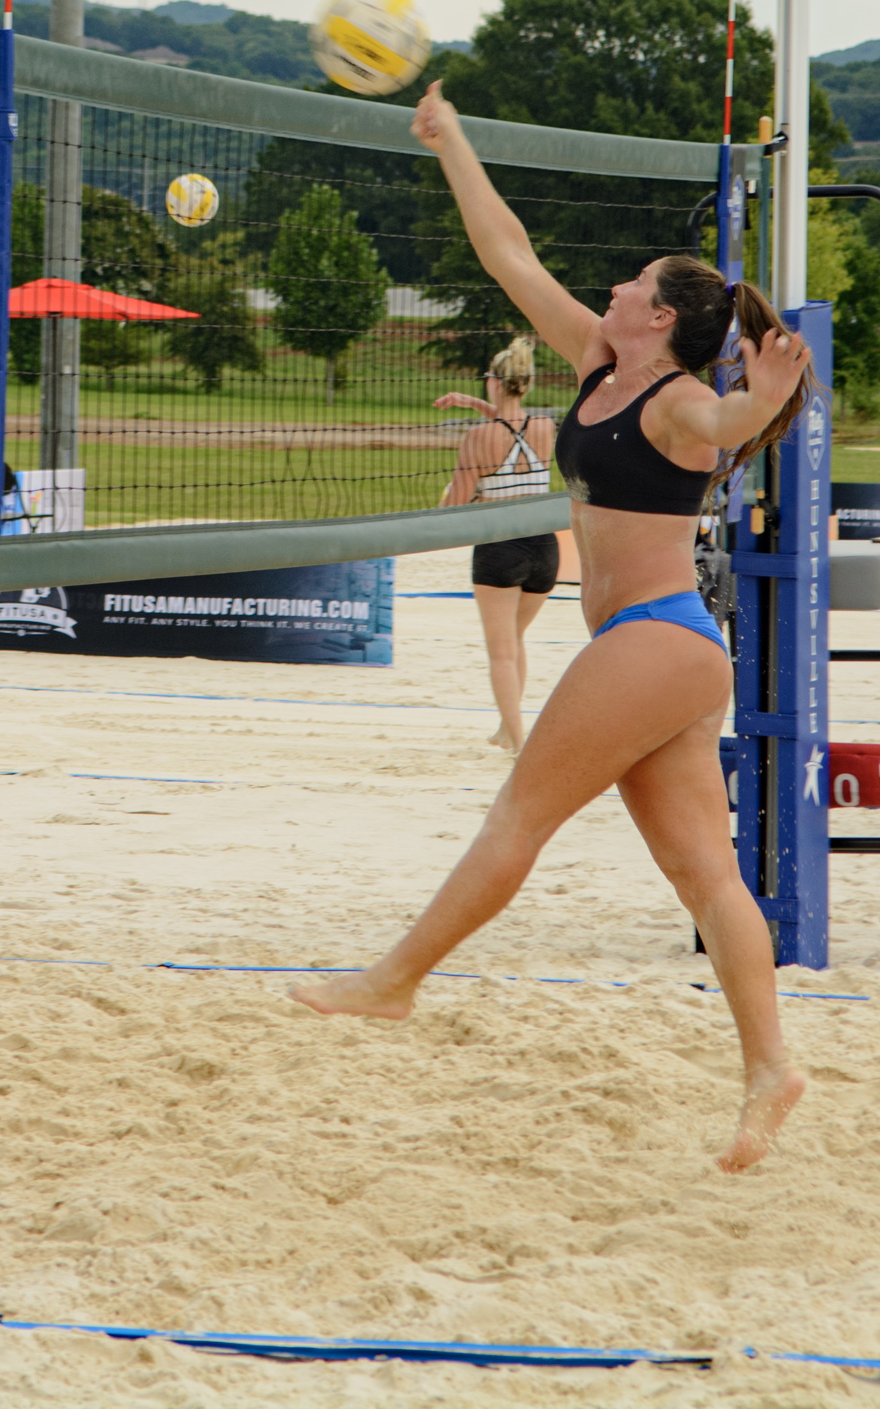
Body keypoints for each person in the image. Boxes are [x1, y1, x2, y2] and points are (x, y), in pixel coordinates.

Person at [294, 84, 817, 1173]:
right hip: (662, 651)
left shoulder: (674, 398)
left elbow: (727, 428)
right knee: (705, 878)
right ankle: (771, 1067)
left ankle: (393, 981)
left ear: (663, 315)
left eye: (632, 284)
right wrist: (453, 143)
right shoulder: (593, 361)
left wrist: (762, 401)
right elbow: (508, 254)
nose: (614, 287)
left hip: (659, 639)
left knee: (520, 812)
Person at [434, 335, 562, 754]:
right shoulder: (544, 427)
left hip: (500, 548)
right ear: (524, 383)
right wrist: (473, 403)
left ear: (494, 381)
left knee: (502, 652)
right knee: (516, 640)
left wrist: (450, 492)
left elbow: (455, 508)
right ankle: (508, 729)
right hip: (545, 549)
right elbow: (510, 426)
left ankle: (518, 741)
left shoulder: (477, 439)